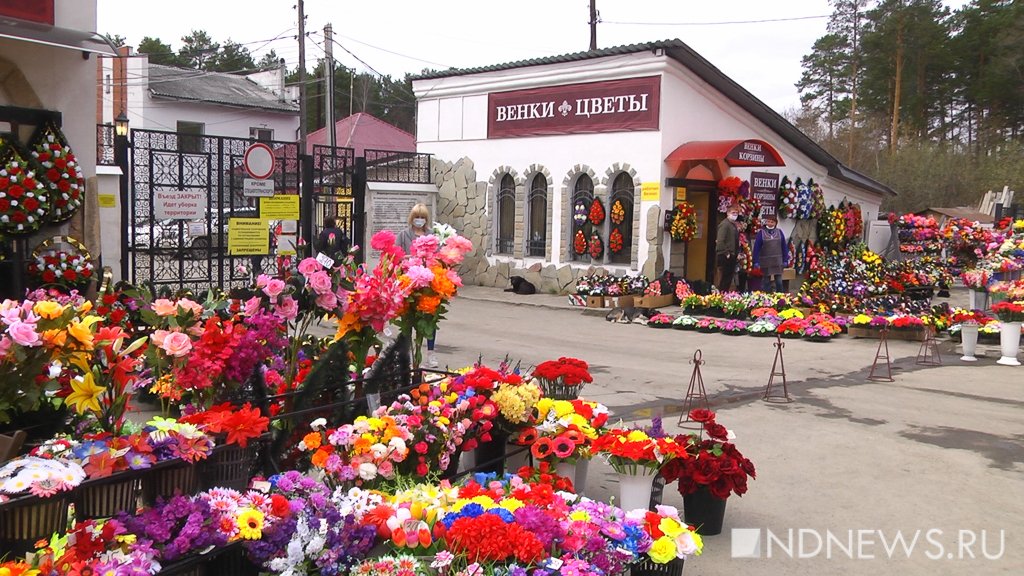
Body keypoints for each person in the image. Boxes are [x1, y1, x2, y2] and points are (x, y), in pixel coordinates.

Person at [395, 203, 438, 367]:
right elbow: (397, 256)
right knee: (407, 319)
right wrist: (409, 259)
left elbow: (436, 255)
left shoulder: (431, 235)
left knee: (429, 319)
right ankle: (406, 354)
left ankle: (430, 354)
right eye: (416, 217)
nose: (419, 221)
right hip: (409, 282)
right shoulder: (403, 235)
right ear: (411, 219)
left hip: (427, 283)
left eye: (422, 218)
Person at [752, 214, 790, 293]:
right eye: (768, 221)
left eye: (772, 222)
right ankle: (767, 299)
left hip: (778, 262)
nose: (770, 223)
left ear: (775, 223)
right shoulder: (761, 233)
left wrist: (785, 260)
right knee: (766, 282)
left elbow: (784, 246)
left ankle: (780, 298)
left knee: (779, 281)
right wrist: (756, 261)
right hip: (766, 262)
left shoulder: (779, 232)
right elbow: (756, 248)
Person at [715, 206, 741, 291]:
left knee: (728, 278)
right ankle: (722, 295)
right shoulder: (725, 224)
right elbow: (720, 241)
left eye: (736, 213)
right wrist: (727, 253)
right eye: (733, 213)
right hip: (725, 255)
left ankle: (724, 294)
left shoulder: (733, 225)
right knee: (724, 278)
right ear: (728, 213)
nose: (735, 215)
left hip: (732, 255)